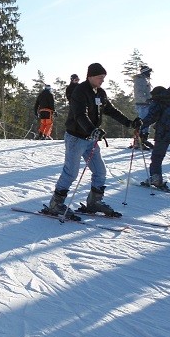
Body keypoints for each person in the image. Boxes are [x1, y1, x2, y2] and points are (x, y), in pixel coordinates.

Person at [44, 63, 141, 220]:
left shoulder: (100, 92)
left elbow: (110, 110)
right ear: (90, 76)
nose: (102, 80)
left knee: (100, 171)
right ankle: (55, 203)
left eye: (104, 77)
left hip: (91, 139)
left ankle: (94, 202)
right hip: (76, 137)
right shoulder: (80, 91)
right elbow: (79, 115)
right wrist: (92, 130)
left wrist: (129, 123)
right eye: (100, 77)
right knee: (71, 172)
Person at [131, 65, 154, 149]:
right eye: (149, 72)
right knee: (143, 122)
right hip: (142, 104)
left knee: (146, 122)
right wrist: (146, 100)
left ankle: (143, 140)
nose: (150, 73)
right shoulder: (140, 80)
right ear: (145, 72)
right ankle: (139, 141)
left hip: (146, 104)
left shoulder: (145, 79)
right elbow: (139, 92)